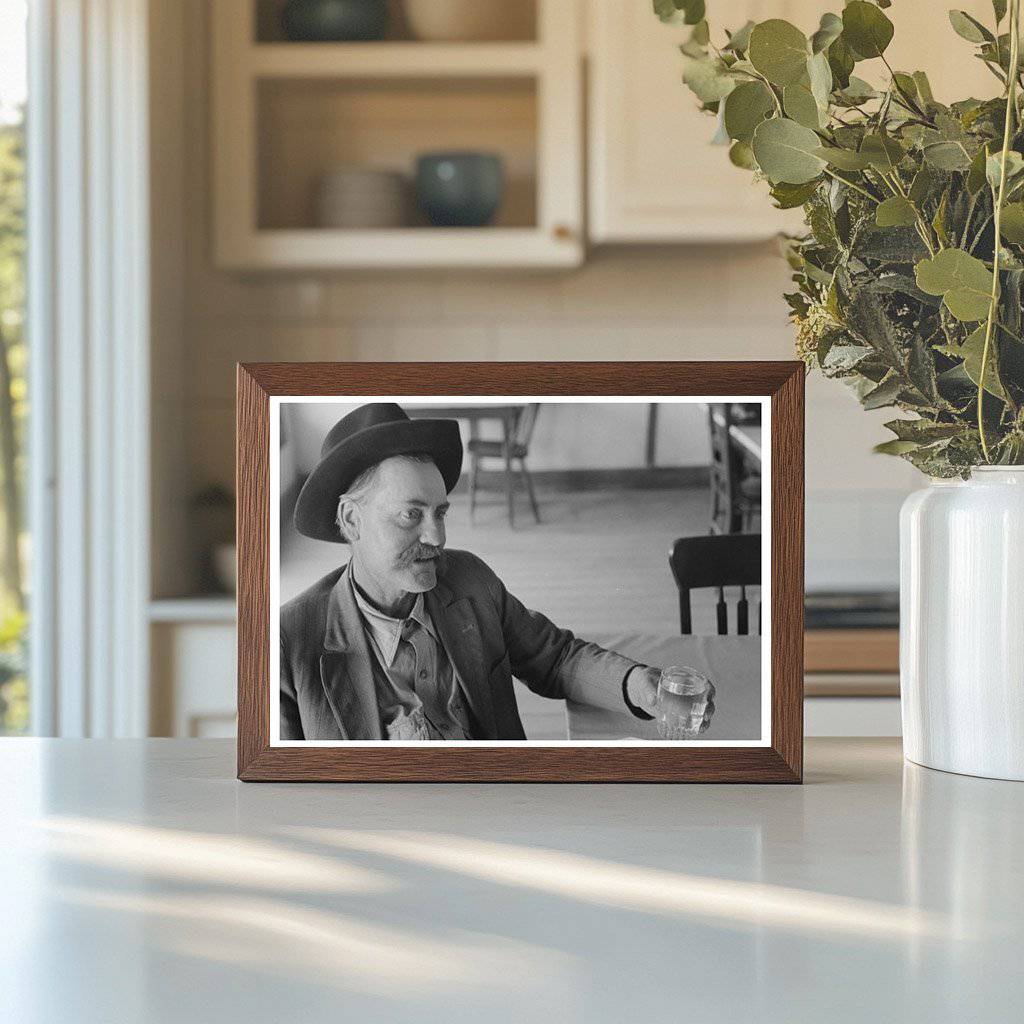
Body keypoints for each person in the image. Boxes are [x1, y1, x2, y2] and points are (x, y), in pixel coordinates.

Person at [279, 402, 715, 741]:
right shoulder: (290, 641)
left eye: (441, 513)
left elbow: (555, 658)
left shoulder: (470, 582)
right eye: (411, 515)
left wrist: (641, 685)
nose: (436, 537)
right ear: (352, 520)